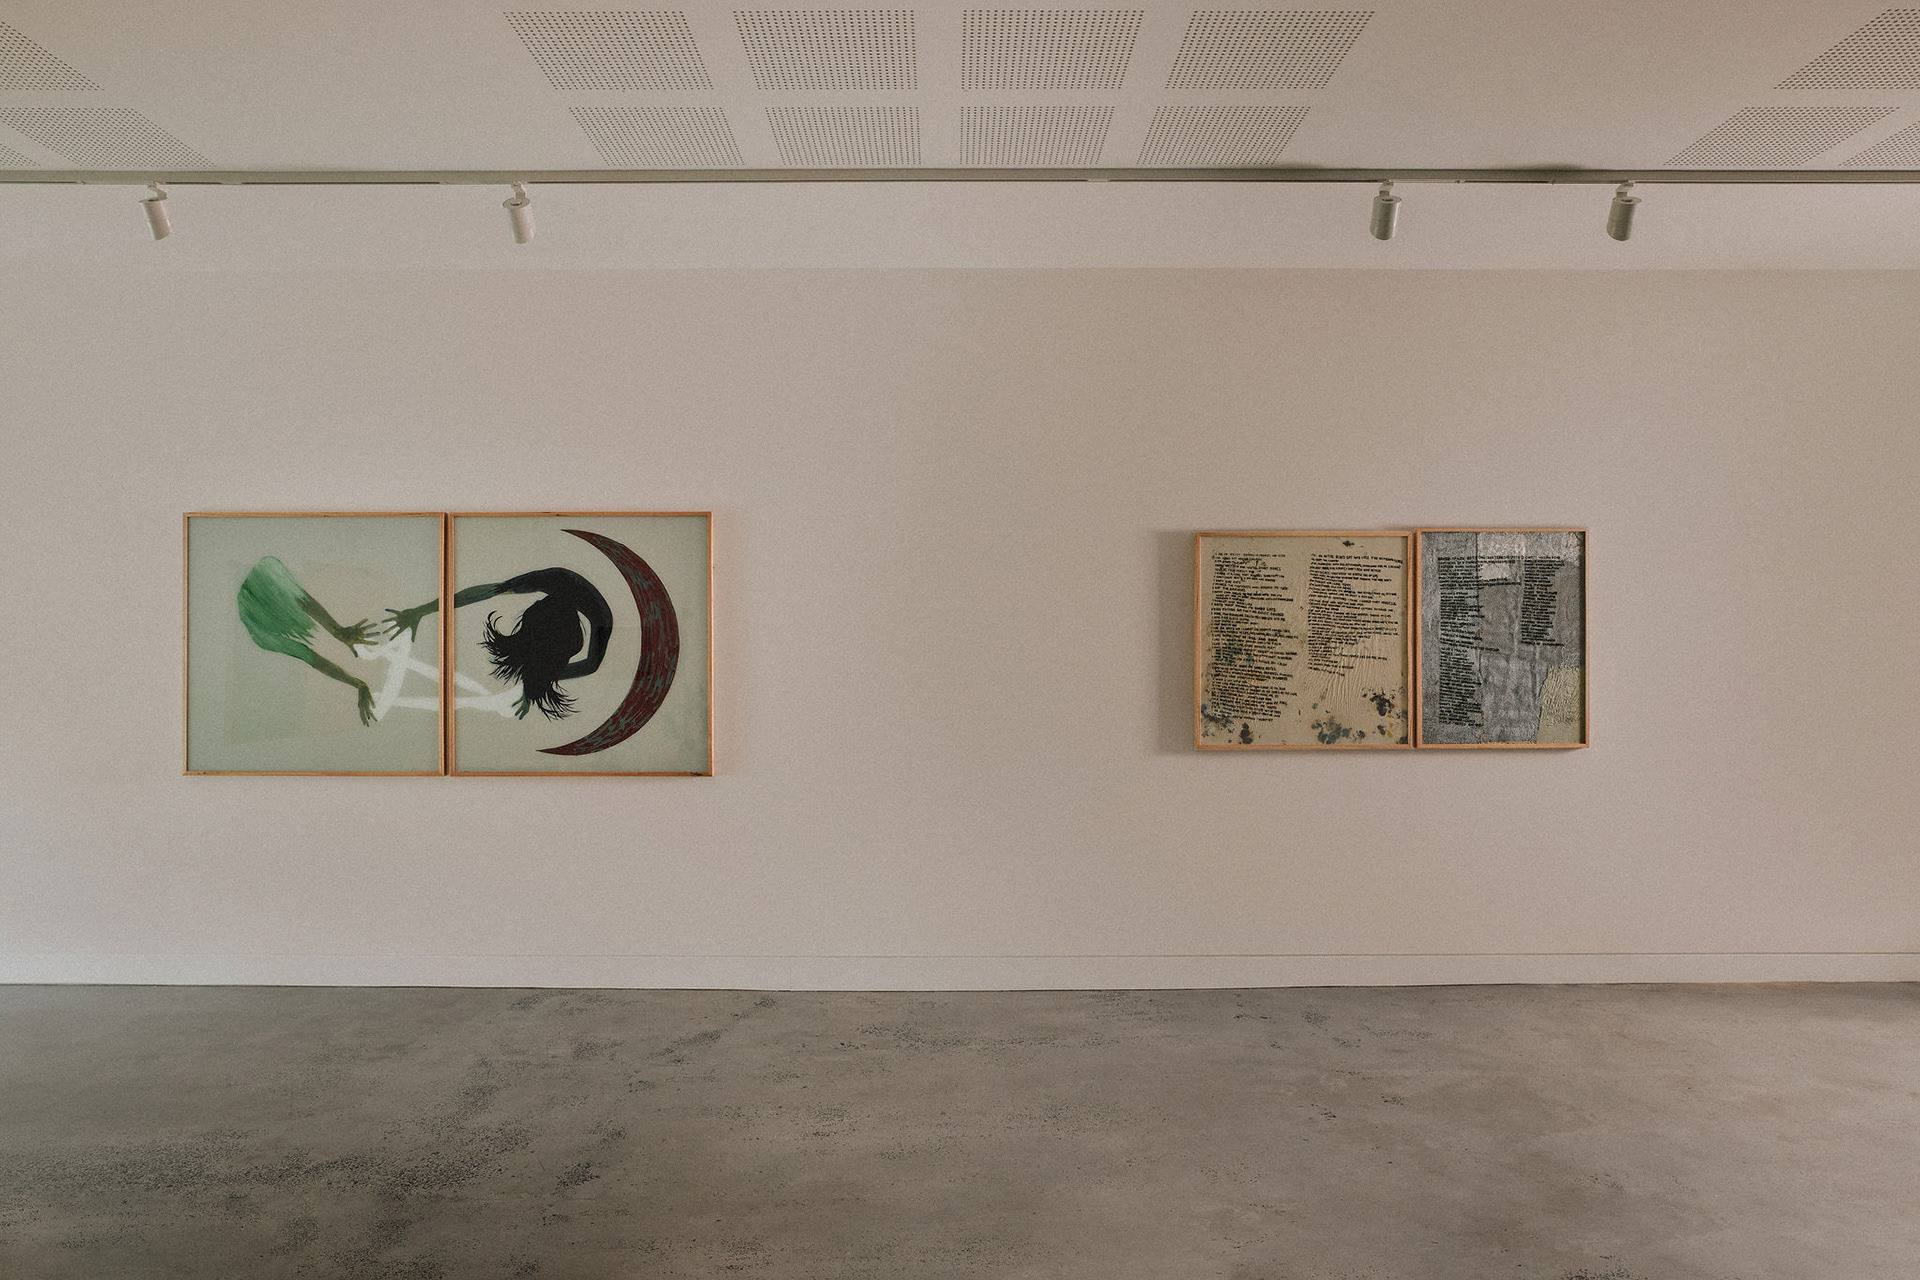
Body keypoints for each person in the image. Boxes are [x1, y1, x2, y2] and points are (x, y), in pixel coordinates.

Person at [383, 567, 613, 720]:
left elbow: (590, 665)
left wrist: (536, 682)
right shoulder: (555, 580)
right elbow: (485, 592)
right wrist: (421, 611)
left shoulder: (601, 620)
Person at [236, 556, 382, 725]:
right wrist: (357, 684)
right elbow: (313, 658)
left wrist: (339, 632)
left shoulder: (268, 570)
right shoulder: (261, 634)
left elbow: (305, 602)